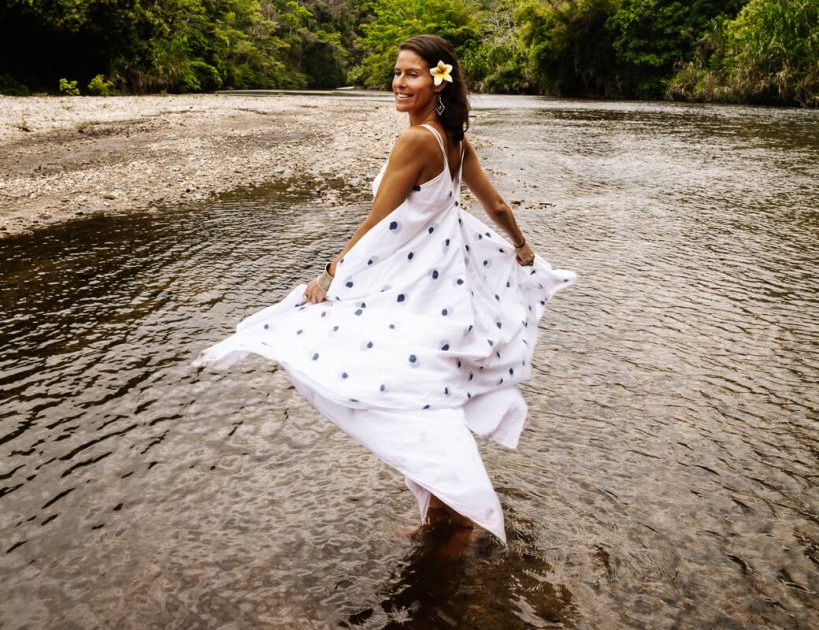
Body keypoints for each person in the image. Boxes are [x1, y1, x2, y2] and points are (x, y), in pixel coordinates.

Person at [194, 34, 575, 542]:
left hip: (417, 285)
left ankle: (455, 514)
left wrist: (331, 272)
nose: (399, 82)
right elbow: (497, 207)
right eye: (396, 73)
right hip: (436, 282)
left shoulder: (417, 140)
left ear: (437, 82)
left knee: (395, 386)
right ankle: (446, 509)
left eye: (412, 74)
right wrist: (521, 247)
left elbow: (378, 220)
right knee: (427, 393)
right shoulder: (454, 140)